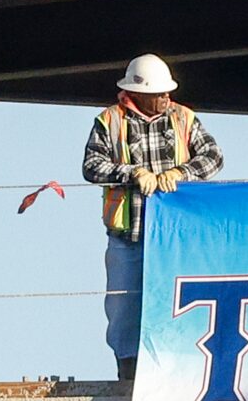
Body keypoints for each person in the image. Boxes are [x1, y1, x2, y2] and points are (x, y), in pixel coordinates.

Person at [84, 54, 223, 381]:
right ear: (137, 93)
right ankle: (129, 374)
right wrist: (131, 173)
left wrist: (182, 172)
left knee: (177, 306)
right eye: (159, 93)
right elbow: (92, 166)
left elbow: (214, 157)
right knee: (124, 309)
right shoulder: (110, 121)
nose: (166, 98)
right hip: (128, 235)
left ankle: (174, 373)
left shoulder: (183, 118)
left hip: (177, 238)